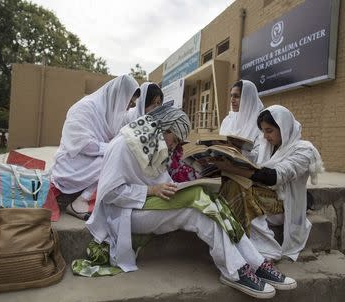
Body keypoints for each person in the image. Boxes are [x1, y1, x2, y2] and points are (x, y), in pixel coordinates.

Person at [86, 106, 296, 299]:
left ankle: (255, 263)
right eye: (175, 139)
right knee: (197, 207)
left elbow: (162, 182)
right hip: (124, 214)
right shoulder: (123, 145)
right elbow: (110, 193)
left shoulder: (153, 143)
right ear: (163, 129)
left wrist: (186, 184)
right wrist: (151, 190)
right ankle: (235, 270)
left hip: (147, 205)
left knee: (209, 204)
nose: (174, 146)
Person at [212, 105, 324, 264]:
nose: (265, 136)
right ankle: (236, 240)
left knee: (243, 192)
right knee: (231, 184)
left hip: (285, 206)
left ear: (283, 128)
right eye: (263, 131)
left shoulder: (304, 151)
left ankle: (268, 250)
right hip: (266, 197)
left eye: (269, 131)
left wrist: (232, 168)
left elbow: (275, 176)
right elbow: (253, 159)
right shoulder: (267, 147)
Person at [51, 75, 140, 220]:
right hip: (71, 163)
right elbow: (83, 144)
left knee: (124, 158)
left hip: (89, 161)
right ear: (117, 96)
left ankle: (87, 199)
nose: (129, 107)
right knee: (117, 160)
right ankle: (81, 202)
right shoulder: (85, 108)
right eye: (129, 102)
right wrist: (114, 148)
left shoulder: (111, 113)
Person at [220, 80, 264, 163]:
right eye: (231, 96)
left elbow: (260, 156)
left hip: (246, 173)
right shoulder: (227, 120)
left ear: (248, 98)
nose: (232, 100)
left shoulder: (261, 122)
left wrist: (238, 152)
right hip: (224, 168)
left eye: (236, 96)